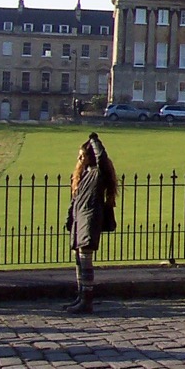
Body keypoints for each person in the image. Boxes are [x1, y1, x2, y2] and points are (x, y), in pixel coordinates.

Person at [64, 132, 118, 314]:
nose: (79, 158)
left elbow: (102, 157)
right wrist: (69, 219)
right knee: (78, 260)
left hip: (90, 218)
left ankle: (87, 300)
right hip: (80, 219)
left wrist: (95, 141)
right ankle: (80, 296)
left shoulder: (98, 173)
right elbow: (75, 200)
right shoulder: (84, 174)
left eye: (83, 155)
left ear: (91, 156)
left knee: (85, 258)